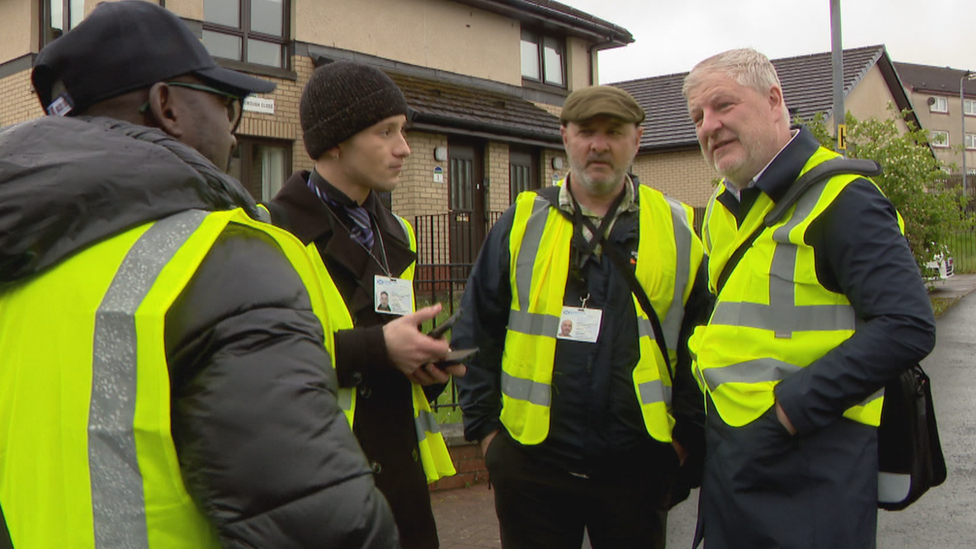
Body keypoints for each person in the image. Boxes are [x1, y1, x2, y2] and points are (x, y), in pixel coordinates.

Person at [0, 2, 399, 547]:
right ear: (166, 105)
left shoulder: (18, 257)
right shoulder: (220, 258)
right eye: (227, 106)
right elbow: (325, 529)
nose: (235, 136)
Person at [683, 48, 937, 549]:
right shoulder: (721, 204)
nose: (709, 125)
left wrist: (788, 412)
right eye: (698, 117)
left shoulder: (845, 196)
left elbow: (907, 325)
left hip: (814, 458)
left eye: (723, 106)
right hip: (735, 455)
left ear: (774, 100)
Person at [451, 85, 712, 549]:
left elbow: (703, 339)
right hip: (532, 468)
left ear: (638, 139)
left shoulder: (676, 225)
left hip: (638, 468)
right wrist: (488, 437)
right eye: (586, 131)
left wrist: (683, 440)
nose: (599, 145)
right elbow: (475, 329)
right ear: (564, 137)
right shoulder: (523, 220)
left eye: (614, 132)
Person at [266, 60, 461, 549]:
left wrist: (423, 362)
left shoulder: (400, 233)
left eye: (403, 130)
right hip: (316, 487)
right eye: (386, 132)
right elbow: (259, 360)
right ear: (335, 141)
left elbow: (392, 349)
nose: (404, 148)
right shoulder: (269, 232)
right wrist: (378, 349)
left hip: (400, 491)